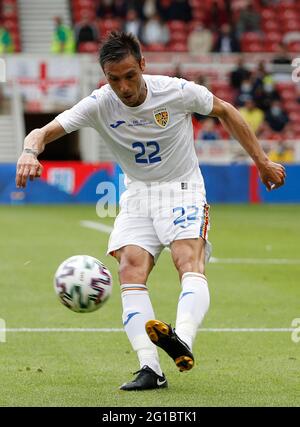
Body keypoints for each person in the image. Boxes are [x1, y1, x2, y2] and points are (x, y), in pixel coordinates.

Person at [15, 31, 286, 391]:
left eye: (130, 75)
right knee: (129, 267)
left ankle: (183, 340)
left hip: (183, 187)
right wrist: (29, 152)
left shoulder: (175, 91)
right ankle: (150, 368)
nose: (124, 87)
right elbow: (41, 132)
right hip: (138, 194)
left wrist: (262, 160)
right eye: (114, 79)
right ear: (105, 76)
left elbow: (225, 110)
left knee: (186, 258)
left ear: (143, 65)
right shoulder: (99, 104)